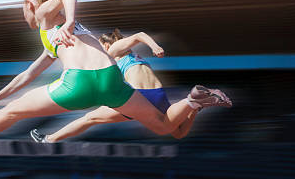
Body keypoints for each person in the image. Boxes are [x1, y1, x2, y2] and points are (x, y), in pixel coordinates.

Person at [0, 0, 231, 145]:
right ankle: (193, 102)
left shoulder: (46, 18)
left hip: (79, 83)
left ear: (30, 6)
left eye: (23, 10)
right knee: (165, 127)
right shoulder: (55, 41)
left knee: (14, 112)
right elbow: (28, 73)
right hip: (112, 82)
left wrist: (71, 18)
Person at [30, 29, 200, 143]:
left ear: (105, 44)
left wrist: (155, 46)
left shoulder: (113, 50)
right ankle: (194, 106)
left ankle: (49, 139)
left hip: (140, 97)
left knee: (89, 118)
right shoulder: (133, 56)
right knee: (177, 133)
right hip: (158, 95)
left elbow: (139, 35)